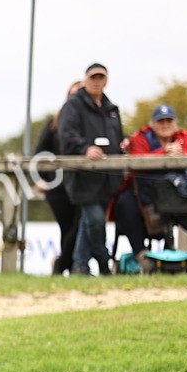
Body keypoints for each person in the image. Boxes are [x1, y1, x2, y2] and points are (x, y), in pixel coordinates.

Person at [112, 104, 187, 270]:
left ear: (175, 123)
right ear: (153, 124)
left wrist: (181, 155)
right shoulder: (140, 137)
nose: (165, 125)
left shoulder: (185, 137)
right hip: (146, 196)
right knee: (124, 204)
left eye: (169, 121)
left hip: (180, 194)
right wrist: (164, 152)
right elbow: (138, 160)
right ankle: (141, 255)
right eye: (160, 121)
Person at [57, 63, 123, 275]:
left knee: (89, 223)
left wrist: (123, 146)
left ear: (106, 81)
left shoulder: (111, 109)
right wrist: (85, 148)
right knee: (94, 220)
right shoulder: (73, 106)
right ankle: (104, 262)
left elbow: (117, 137)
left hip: (107, 177)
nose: (96, 82)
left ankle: (80, 266)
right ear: (85, 79)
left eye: (100, 78)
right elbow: (66, 135)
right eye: (93, 77)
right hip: (82, 178)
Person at [35, 81, 83, 275]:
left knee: (80, 225)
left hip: (82, 186)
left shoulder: (90, 122)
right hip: (58, 187)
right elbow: (39, 152)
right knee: (68, 227)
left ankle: (64, 264)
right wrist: (41, 179)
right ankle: (67, 266)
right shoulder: (54, 123)